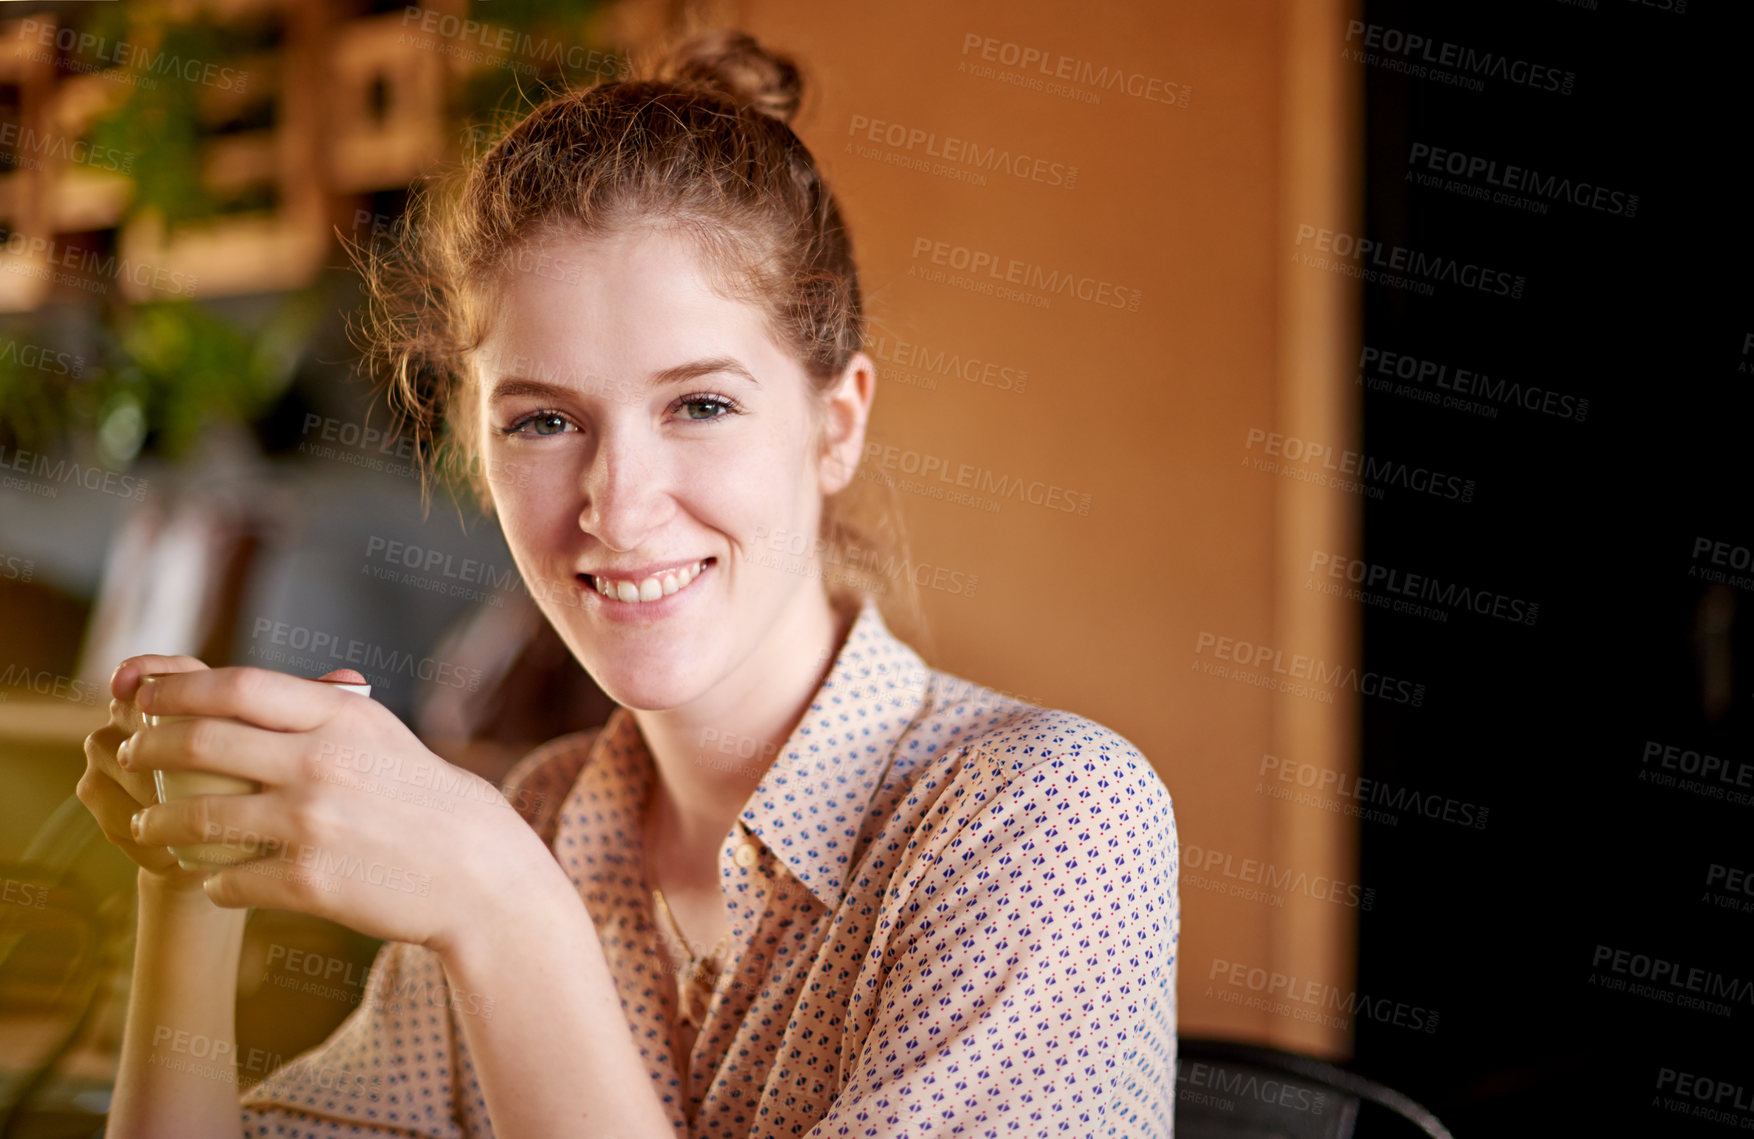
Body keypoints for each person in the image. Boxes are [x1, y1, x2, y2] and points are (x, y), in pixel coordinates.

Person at [78, 28, 1180, 1139]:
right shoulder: (536, 819)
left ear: (834, 423)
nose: (617, 502)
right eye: (544, 420)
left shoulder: (1048, 819)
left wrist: (507, 918)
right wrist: (191, 876)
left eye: (699, 405)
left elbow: (498, 900)